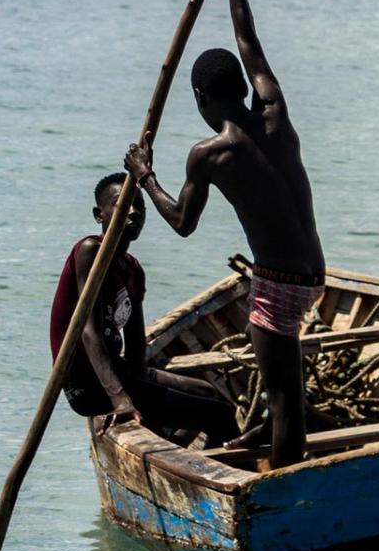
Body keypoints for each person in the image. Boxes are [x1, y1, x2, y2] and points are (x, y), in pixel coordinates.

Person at [125, 0, 325, 470]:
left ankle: (286, 484)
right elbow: (247, 39)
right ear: (241, 86)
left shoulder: (210, 154)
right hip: (314, 271)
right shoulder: (274, 111)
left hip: (280, 285)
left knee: (286, 401)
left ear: (198, 96)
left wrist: (145, 176)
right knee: (281, 389)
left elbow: (182, 222)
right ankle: (265, 444)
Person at [50, 172, 238, 446]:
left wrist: (146, 384)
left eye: (140, 206)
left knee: (208, 393)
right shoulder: (89, 250)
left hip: (122, 373)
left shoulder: (133, 269)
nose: (135, 212)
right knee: (221, 416)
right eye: (123, 204)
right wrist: (120, 399)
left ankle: (173, 448)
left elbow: (136, 346)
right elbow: (88, 332)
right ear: (98, 214)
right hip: (88, 386)